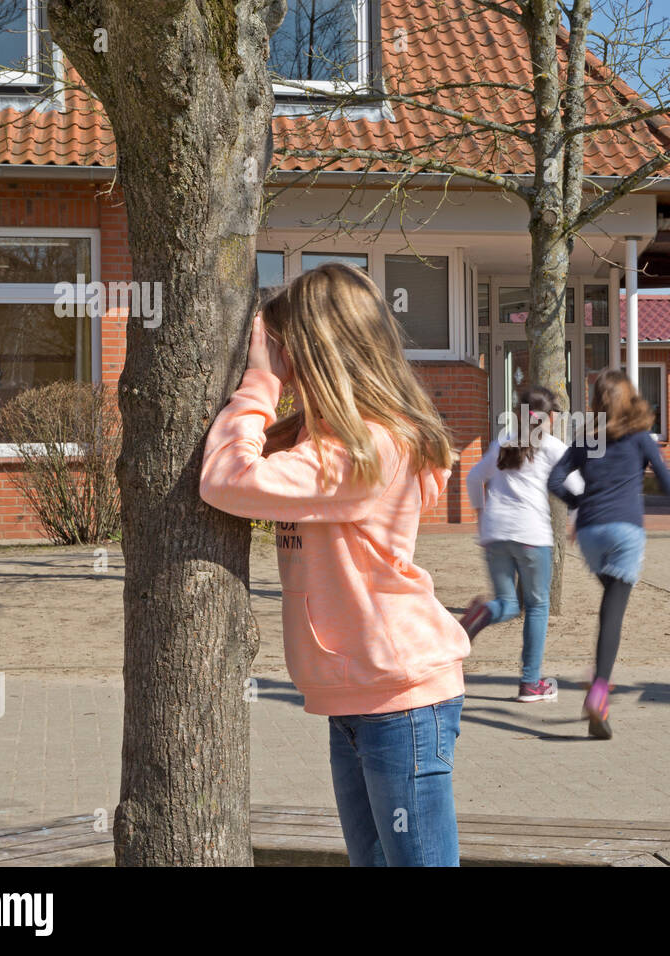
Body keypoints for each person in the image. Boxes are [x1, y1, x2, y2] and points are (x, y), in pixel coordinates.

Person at [200, 262, 470, 865]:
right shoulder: (327, 443)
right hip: (358, 696)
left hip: (399, 697)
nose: (279, 362)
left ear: (318, 350)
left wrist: (258, 385)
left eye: (286, 348)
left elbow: (224, 480)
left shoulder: (364, 448)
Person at [548, 369, 670, 739]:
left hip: (590, 533)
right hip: (625, 531)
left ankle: (598, 685)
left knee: (611, 600)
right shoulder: (640, 438)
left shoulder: (586, 440)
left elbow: (555, 480)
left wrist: (583, 502)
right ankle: (599, 689)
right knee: (612, 616)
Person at [461, 386, 583, 702]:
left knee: (508, 603)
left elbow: (474, 478)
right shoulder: (554, 447)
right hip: (531, 536)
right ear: (550, 417)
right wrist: (577, 521)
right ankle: (530, 683)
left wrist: (479, 512)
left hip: (495, 532)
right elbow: (577, 487)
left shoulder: (503, 442)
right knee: (537, 606)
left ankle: (484, 613)